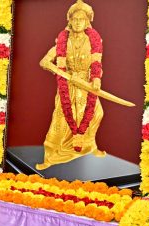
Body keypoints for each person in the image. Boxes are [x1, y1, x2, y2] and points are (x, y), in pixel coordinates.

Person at [36, 0, 106, 170]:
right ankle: (51, 156)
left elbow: (96, 63)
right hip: (67, 85)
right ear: (69, 20)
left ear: (87, 21)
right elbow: (45, 60)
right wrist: (47, 62)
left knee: (96, 113)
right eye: (74, 19)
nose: (77, 22)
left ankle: (89, 147)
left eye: (81, 19)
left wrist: (96, 79)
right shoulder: (62, 40)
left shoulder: (94, 40)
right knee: (63, 118)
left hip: (86, 84)